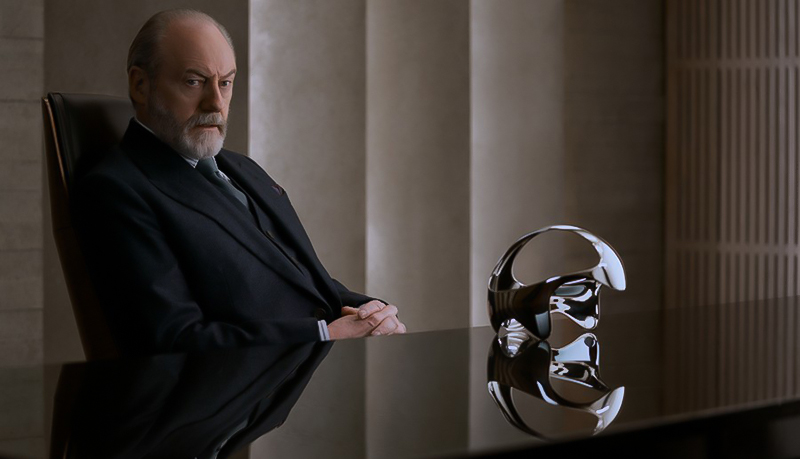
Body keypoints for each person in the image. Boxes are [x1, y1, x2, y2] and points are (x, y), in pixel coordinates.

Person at [73, 9, 405, 355]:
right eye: (194, 81)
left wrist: (371, 313)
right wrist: (323, 334)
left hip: (308, 374)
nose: (216, 103)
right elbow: (175, 338)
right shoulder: (115, 191)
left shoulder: (243, 169)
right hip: (246, 386)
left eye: (225, 83)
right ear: (140, 86)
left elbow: (303, 282)